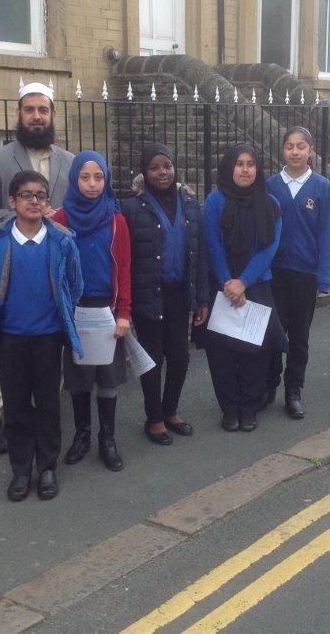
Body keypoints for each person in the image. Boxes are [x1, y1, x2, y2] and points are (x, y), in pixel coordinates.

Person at [0, 82, 76, 456]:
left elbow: (72, 212)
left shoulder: (68, 159)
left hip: (52, 266)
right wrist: (27, 216)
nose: (36, 116)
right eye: (30, 109)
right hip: (9, 265)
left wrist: (54, 222)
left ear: (52, 115)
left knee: (50, 342)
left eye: (43, 110)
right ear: (19, 114)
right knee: (2, 344)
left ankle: (41, 416)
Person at [0, 170, 83, 502]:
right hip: (11, 337)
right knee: (16, 406)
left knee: (48, 403)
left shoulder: (61, 241)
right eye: (26, 195)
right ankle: (21, 469)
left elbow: (75, 287)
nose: (34, 201)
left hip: (48, 337)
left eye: (41, 195)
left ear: (48, 202)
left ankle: (47, 467)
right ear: (12, 201)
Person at [121, 144, 209, 446]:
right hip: (149, 295)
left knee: (181, 357)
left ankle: (170, 410)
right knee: (152, 360)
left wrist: (202, 299)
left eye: (167, 166)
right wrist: (126, 304)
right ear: (145, 172)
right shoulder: (132, 207)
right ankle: (154, 418)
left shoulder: (189, 202)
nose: (162, 172)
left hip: (180, 294)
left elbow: (200, 253)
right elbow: (125, 259)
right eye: (155, 167)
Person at [51, 151, 132, 472]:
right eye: (85, 177)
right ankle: (82, 434)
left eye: (99, 177)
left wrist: (124, 311)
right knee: (80, 378)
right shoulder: (60, 220)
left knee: (107, 377)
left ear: (107, 179)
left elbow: (124, 267)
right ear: (74, 179)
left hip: (108, 310)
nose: (92, 184)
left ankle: (107, 438)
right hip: (75, 311)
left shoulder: (116, 219)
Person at [201, 144, 284, 432]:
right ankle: (230, 409)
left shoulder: (270, 203)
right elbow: (211, 244)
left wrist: (243, 282)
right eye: (239, 164)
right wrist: (228, 283)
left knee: (255, 350)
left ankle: (249, 408)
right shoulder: (215, 200)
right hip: (222, 286)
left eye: (250, 164)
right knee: (222, 352)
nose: (245, 169)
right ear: (229, 168)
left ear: (258, 169)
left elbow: (269, 247)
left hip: (256, 284)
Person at [263, 126, 330, 419]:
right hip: (273, 272)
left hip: (305, 273)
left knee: (299, 337)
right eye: (290, 146)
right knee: (272, 333)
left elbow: (325, 232)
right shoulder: (269, 185)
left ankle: (293, 391)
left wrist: (325, 274)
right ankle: (268, 386)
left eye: (301, 146)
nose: (295, 151)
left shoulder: (321, 186)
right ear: (283, 150)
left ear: (311, 151)